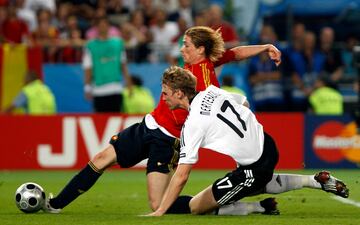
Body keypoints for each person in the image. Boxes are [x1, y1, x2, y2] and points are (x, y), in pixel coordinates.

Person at [42, 26, 282, 213]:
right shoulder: (202, 62)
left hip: (167, 142)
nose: (181, 49)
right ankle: (56, 204)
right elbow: (235, 53)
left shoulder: (205, 84)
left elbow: (201, 112)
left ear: (200, 49)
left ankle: (250, 207)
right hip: (148, 126)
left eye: (185, 45)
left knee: (158, 204)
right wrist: (266, 47)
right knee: (101, 158)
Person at [148, 66, 349, 216]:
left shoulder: (192, 124)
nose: (162, 97)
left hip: (252, 167)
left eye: (165, 92)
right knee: (260, 181)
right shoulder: (211, 91)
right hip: (267, 144)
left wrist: (161, 210)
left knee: (197, 206)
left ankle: (257, 207)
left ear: (179, 93)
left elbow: (182, 175)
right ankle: (313, 181)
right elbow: (244, 101)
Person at [83, 16, 132, 113]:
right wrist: (87, 87)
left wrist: (129, 83)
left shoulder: (118, 43)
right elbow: (88, 68)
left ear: (109, 27)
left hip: (116, 89)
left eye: (105, 25)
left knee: (116, 120)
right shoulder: (90, 46)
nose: (103, 28)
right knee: (100, 122)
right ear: (96, 28)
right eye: (100, 26)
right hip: (98, 90)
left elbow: (123, 65)